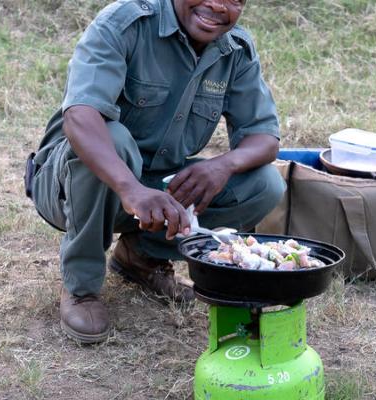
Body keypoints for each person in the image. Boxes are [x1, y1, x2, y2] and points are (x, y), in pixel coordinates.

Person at [28, 0, 285, 344]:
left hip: (154, 191)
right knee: (114, 139)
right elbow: (80, 117)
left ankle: (142, 257)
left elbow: (265, 137)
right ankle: (81, 288)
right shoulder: (125, 22)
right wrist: (130, 189)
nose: (216, 6)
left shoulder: (234, 47)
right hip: (70, 183)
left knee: (264, 183)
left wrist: (222, 165)